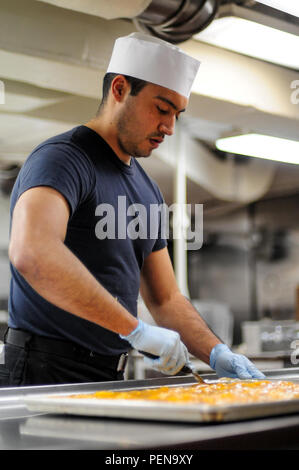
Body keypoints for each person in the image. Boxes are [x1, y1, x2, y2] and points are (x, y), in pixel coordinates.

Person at [0, 33, 264, 386]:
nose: (170, 128)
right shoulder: (63, 159)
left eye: (177, 114)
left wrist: (217, 352)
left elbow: (165, 298)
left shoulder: (147, 190)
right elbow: (32, 252)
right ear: (120, 89)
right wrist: (135, 329)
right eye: (162, 109)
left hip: (108, 373)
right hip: (43, 371)